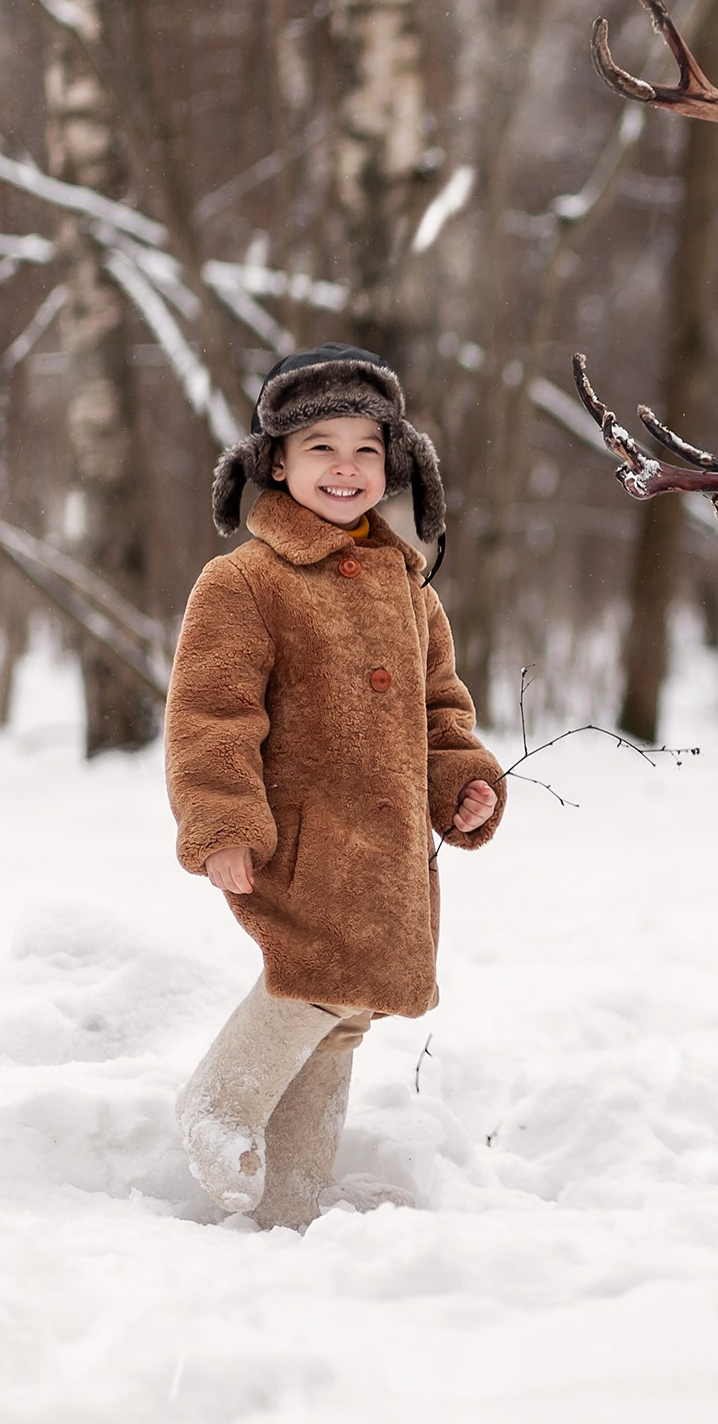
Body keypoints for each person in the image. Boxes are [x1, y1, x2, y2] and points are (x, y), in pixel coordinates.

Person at [164, 344, 505, 1228]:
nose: (346, 468)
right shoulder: (244, 581)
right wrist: (223, 822)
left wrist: (462, 782)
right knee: (317, 977)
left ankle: (293, 1201)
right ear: (275, 460)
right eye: (321, 447)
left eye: (365, 448)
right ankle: (216, 1105)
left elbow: (440, 709)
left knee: (347, 1010)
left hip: (390, 847)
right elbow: (212, 713)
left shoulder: (408, 584)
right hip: (301, 835)